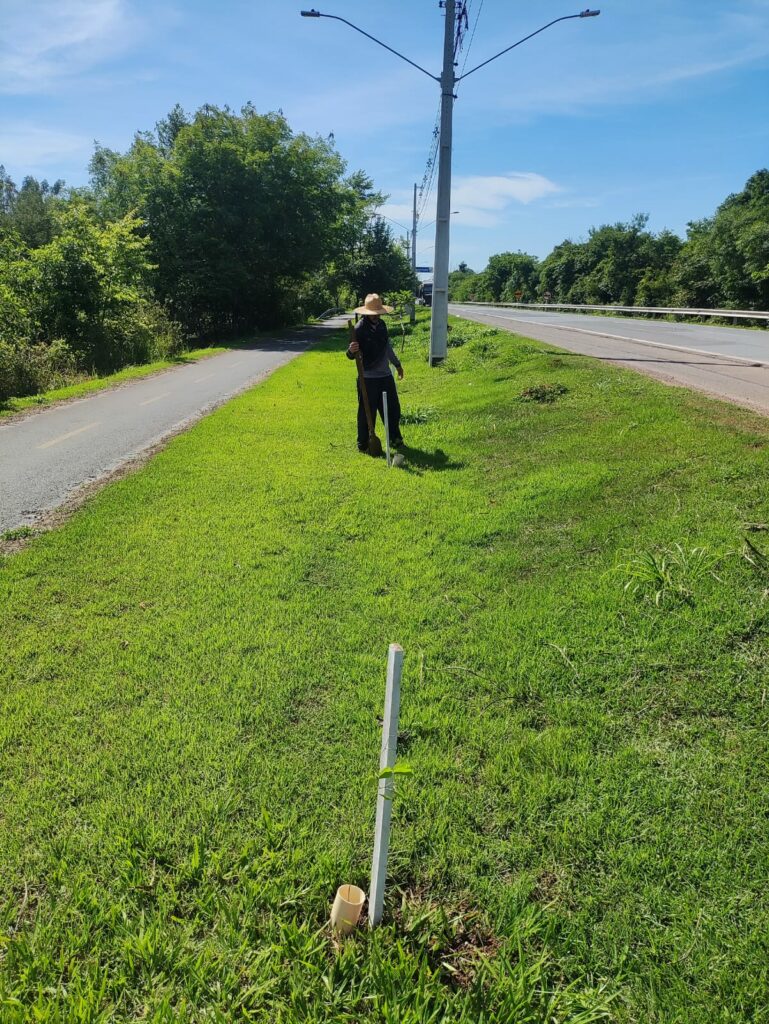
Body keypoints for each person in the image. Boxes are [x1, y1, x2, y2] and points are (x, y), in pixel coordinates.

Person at [346, 293, 404, 452]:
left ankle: (395, 438)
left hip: (385, 376)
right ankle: (363, 443)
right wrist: (351, 351)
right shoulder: (358, 330)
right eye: (373, 313)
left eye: (378, 313)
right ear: (366, 313)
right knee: (366, 413)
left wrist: (397, 365)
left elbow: (387, 347)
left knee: (393, 409)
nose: (376, 316)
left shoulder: (382, 326)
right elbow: (351, 354)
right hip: (368, 379)